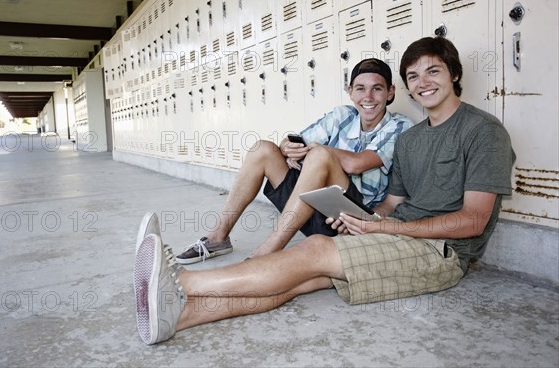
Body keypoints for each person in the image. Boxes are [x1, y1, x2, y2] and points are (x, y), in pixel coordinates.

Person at [133, 36, 515, 345]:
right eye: (414, 76)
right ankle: (178, 316)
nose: (424, 82)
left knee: (313, 251)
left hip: (442, 255)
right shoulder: (412, 140)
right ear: (408, 87)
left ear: (454, 75)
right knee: (297, 281)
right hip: (395, 235)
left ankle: (179, 284)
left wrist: (384, 228)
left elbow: (473, 221)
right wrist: (364, 220)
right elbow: (393, 203)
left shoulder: (483, 131)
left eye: (434, 71)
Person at [175, 58, 413, 264]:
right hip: (315, 206)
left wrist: (316, 150)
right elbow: (293, 143)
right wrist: (286, 147)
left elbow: (356, 164)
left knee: (321, 155)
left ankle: (264, 256)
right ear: (350, 91)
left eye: (377, 89)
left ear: (390, 92)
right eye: (360, 89)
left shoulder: (400, 125)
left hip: (349, 219)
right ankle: (218, 237)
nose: (368, 97)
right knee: (263, 149)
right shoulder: (342, 115)